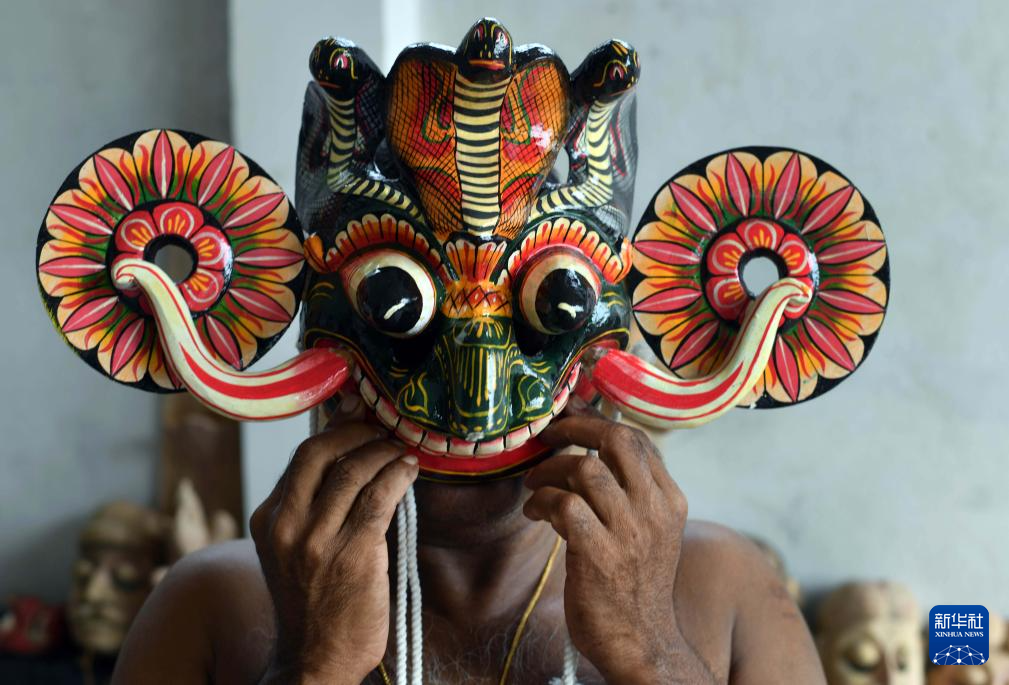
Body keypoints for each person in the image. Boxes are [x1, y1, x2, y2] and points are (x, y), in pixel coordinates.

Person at [112, 398, 825, 684]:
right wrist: (311, 665)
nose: (473, 399)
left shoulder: (722, 586)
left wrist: (653, 652)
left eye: (539, 318)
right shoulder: (209, 602)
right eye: (401, 320)